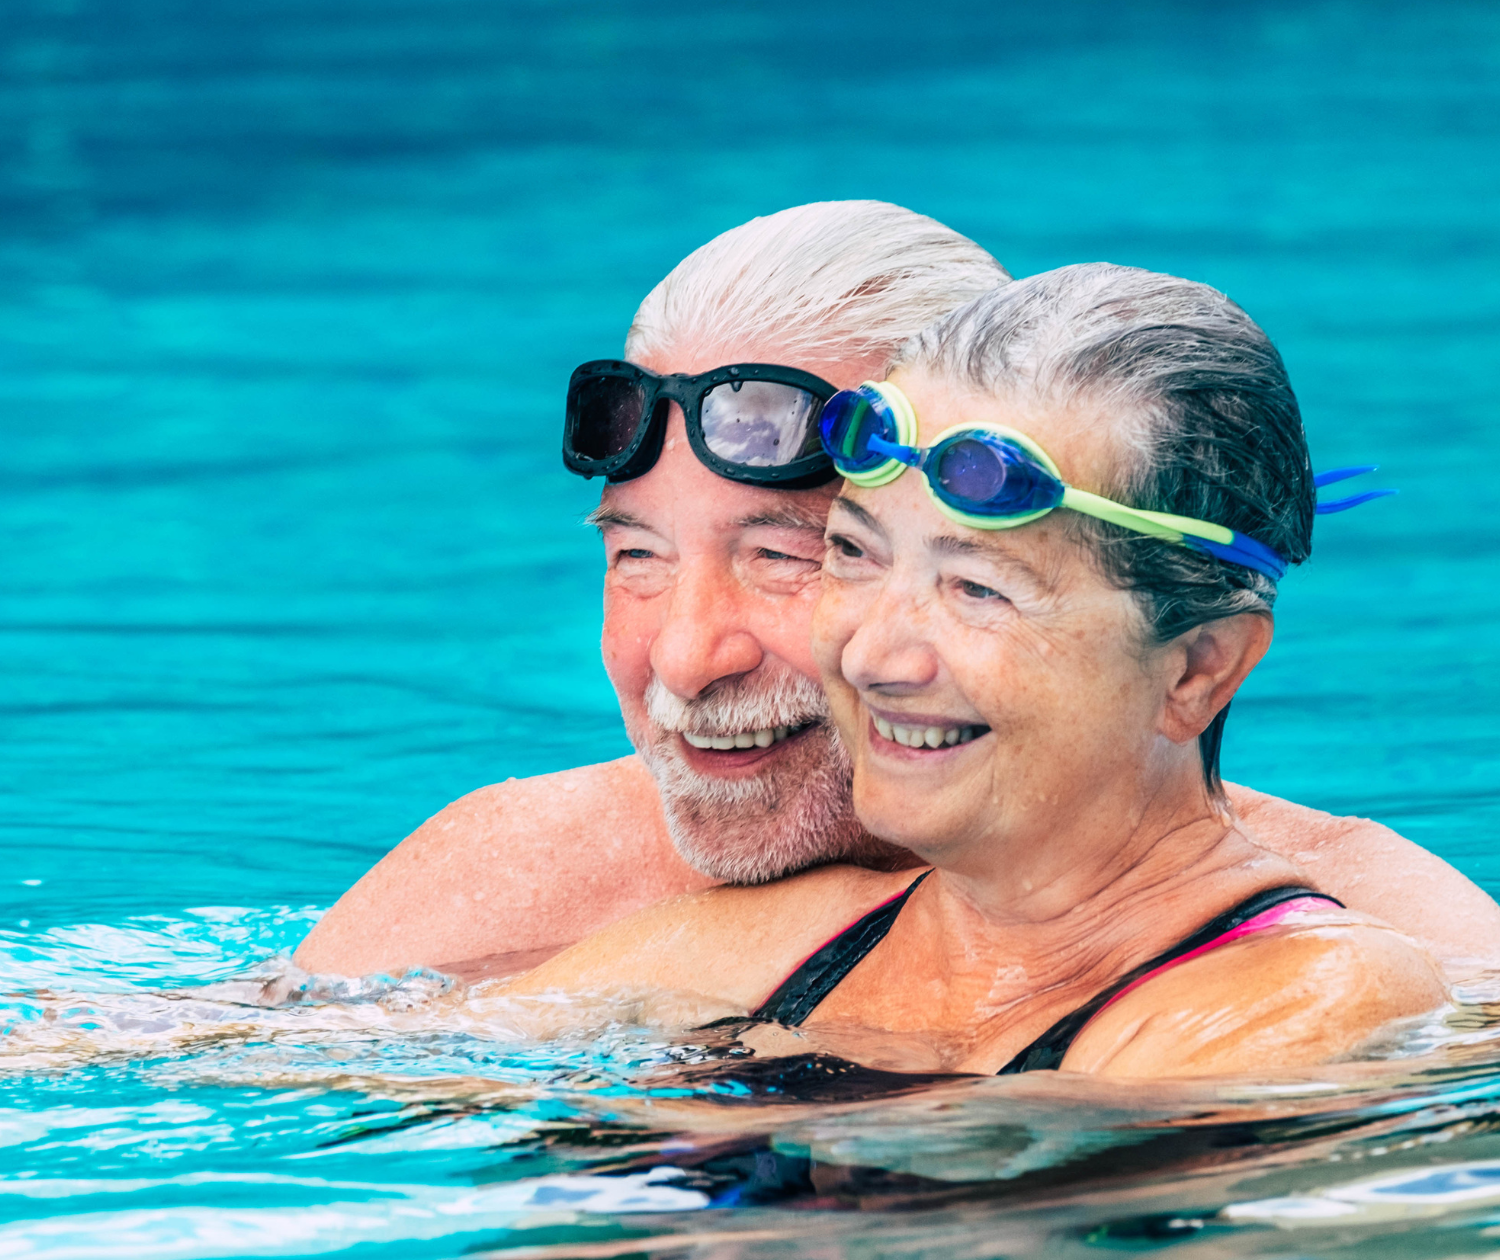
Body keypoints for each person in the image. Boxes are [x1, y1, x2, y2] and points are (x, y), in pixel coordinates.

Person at [297, 203, 1500, 980]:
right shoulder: (522, 874)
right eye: (637, 559)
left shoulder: (1358, 941)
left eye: (793, 554)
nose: (681, 660)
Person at [502, 265, 1451, 1078]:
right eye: (852, 554)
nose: (874, 655)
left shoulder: (1311, 1003)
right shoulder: (737, 949)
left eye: (978, 590)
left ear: (1197, 670)